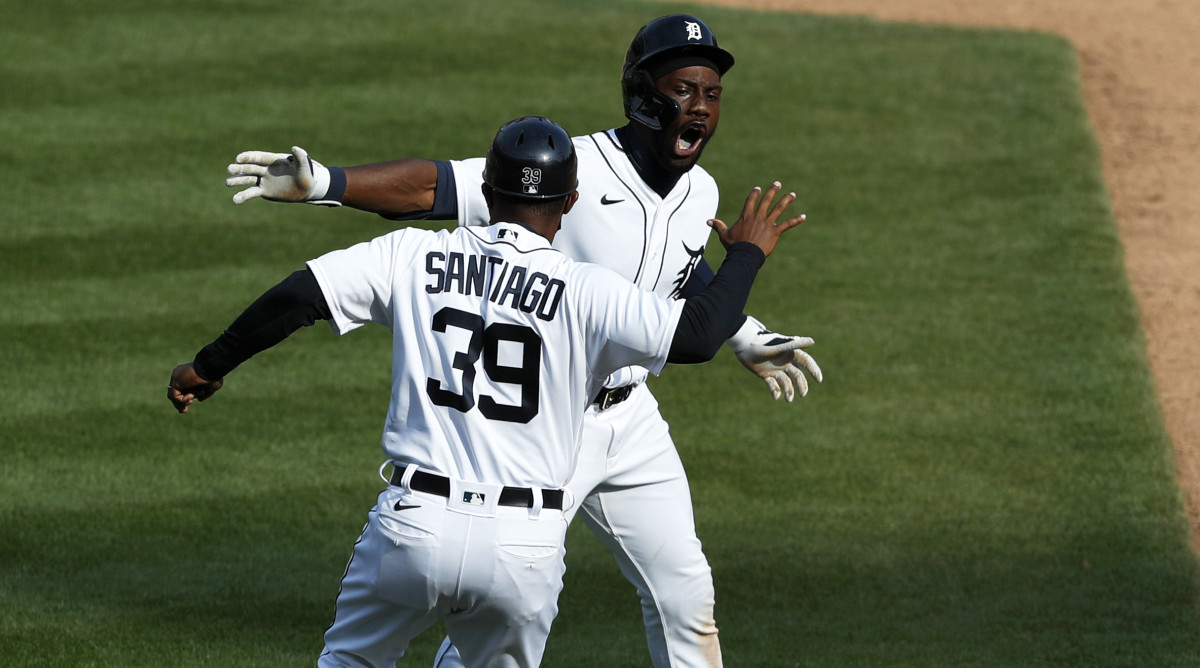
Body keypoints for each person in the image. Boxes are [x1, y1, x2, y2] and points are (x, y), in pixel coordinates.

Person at [224, 15, 821, 668]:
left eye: (711, 93)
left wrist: (743, 331)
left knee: (684, 592)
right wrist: (327, 185)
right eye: (683, 89)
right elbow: (437, 186)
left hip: (633, 418)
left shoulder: (700, 192)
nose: (699, 107)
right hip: (545, 422)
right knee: (488, 603)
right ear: (642, 94)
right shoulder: (572, 166)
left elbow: (677, 270)